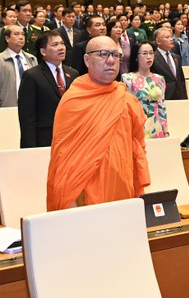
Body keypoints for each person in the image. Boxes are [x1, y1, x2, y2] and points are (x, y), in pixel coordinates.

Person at [47, 36, 150, 210]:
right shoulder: (74, 100)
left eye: (115, 55)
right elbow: (63, 158)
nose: (110, 61)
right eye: (103, 54)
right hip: (83, 197)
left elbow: (137, 147)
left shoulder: (125, 98)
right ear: (87, 60)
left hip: (122, 189)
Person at [18, 30, 78, 148]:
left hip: (71, 137)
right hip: (45, 139)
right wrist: (30, 148)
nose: (61, 48)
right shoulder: (32, 76)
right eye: (55, 45)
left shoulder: (73, 73)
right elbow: (27, 117)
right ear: (43, 51)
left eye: (62, 44)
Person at [122, 41, 168, 139]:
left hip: (156, 127)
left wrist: (166, 131)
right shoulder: (128, 78)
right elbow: (127, 108)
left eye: (151, 53)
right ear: (136, 57)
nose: (149, 56)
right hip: (137, 127)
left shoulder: (160, 79)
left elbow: (162, 107)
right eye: (144, 53)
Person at [0, 24, 38, 108]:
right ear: (7, 38)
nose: (21, 37)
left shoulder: (32, 59)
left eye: (23, 34)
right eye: (17, 34)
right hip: (8, 106)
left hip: (31, 106)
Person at [151, 27, 187, 101]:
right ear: (158, 41)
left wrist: (184, 97)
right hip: (162, 98)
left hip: (179, 98)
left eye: (171, 36)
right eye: (167, 37)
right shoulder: (153, 58)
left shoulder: (176, 57)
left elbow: (181, 80)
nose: (171, 39)